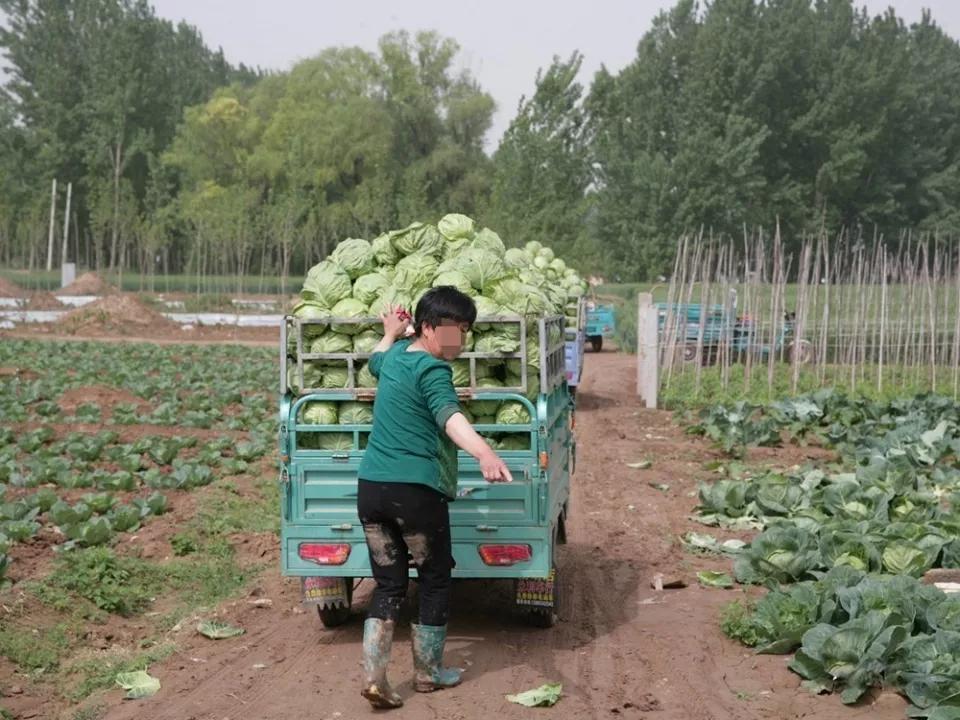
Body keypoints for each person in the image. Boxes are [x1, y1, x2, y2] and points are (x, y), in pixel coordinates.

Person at [357, 286, 513, 710]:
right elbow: (450, 416)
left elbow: (374, 360)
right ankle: (428, 672)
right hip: (415, 494)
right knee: (435, 577)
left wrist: (390, 332)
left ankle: (374, 677)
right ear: (427, 328)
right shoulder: (432, 369)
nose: (458, 340)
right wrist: (484, 452)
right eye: (452, 330)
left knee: (389, 583)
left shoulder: (395, 360)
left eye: (464, 331)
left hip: (370, 490)